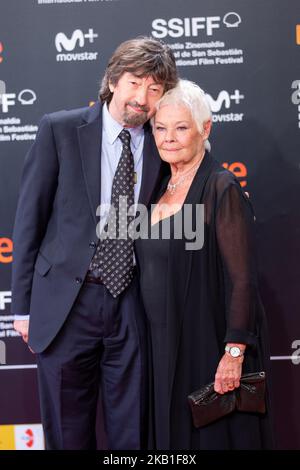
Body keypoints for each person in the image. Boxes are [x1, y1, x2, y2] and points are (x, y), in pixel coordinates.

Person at [11, 37, 178, 450]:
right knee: (67, 435)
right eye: (136, 82)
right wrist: (23, 307)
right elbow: (29, 221)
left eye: (155, 89)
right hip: (66, 306)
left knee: (133, 433)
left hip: (134, 305)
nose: (142, 98)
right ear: (113, 80)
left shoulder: (164, 142)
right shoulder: (61, 129)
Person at [135, 79, 274, 449]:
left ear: (205, 128)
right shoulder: (155, 187)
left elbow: (243, 280)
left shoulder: (220, 187)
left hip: (206, 345)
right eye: (160, 128)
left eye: (181, 128)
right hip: (158, 349)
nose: (168, 138)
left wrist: (233, 353)